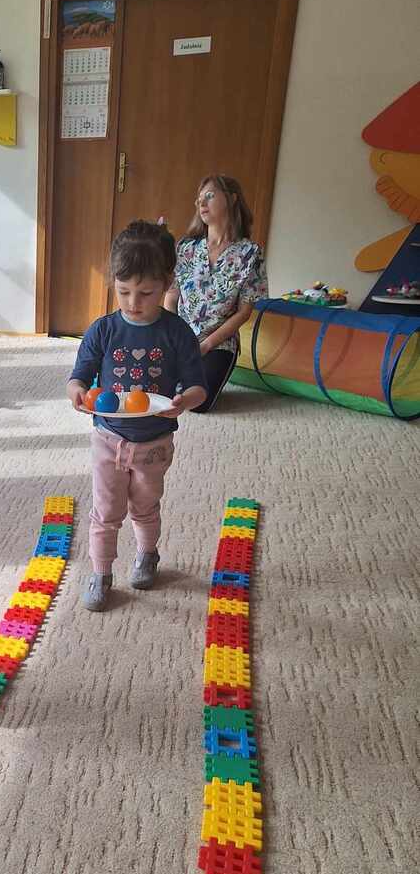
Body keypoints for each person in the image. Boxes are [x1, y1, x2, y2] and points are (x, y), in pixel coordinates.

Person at [67, 220, 207, 610]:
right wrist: (76, 390)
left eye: (146, 293)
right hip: (108, 438)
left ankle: (147, 554)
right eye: (124, 291)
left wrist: (184, 401)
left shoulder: (177, 332)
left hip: (154, 442)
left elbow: (198, 387)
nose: (133, 302)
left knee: (145, 506)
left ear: (167, 284)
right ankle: (101, 573)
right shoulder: (103, 330)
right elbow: (79, 375)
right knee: (105, 510)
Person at [164, 174, 268, 412]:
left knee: (198, 403)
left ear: (232, 199)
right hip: (180, 338)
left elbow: (244, 312)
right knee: (153, 385)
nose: (201, 203)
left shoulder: (250, 253)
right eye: (198, 199)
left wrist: (205, 345)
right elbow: (171, 297)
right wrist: (175, 336)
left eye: (209, 196)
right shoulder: (186, 248)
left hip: (218, 343)